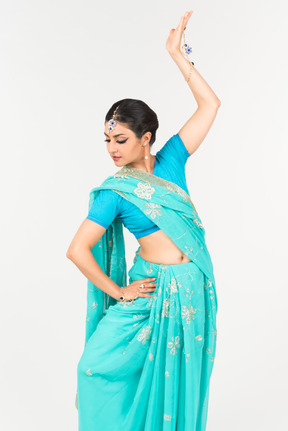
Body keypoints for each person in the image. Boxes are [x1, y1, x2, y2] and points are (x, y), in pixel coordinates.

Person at [66, 10, 221, 431]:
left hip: (190, 291)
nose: (112, 149)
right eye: (107, 141)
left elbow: (211, 105)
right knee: (92, 369)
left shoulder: (171, 160)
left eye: (120, 140)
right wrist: (118, 290)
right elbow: (76, 250)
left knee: (180, 384)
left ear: (146, 138)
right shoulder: (114, 191)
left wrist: (177, 55)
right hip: (149, 293)